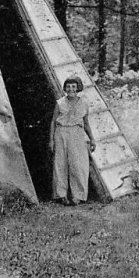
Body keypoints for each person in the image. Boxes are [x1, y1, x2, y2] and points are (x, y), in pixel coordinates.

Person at [49, 76, 96, 206]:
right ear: (65, 88)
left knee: (78, 164)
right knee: (60, 164)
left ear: (78, 88)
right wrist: (51, 140)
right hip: (61, 132)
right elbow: (53, 122)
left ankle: (78, 195)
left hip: (77, 133)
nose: (71, 89)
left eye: (73, 87)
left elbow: (86, 123)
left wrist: (92, 139)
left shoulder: (84, 103)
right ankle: (61, 195)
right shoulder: (60, 103)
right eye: (68, 87)